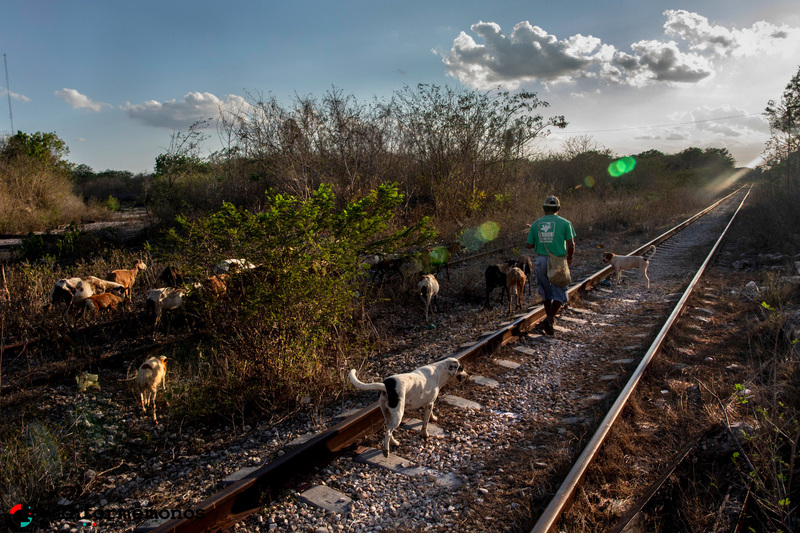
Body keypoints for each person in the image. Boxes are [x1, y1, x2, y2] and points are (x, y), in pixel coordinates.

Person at [526, 196, 576, 335]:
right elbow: (571, 245)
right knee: (560, 292)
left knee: (546, 293)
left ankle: (549, 319)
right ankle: (550, 318)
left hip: (541, 261)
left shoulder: (536, 224)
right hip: (558, 262)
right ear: (558, 209)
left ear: (544, 208)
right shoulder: (566, 223)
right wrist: (570, 258)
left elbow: (529, 245)